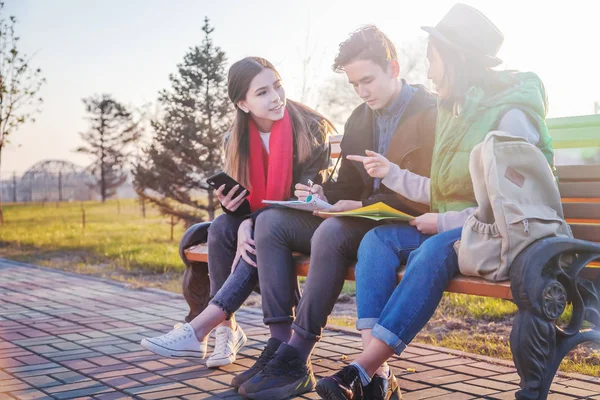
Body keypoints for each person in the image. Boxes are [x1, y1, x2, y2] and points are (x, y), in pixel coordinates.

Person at [315, 4, 556, 399]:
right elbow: (443, 188)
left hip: (508, 234)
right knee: (378, 241)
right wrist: (390, 173)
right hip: (467, 226)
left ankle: (362, 369)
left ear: (457, 60)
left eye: (432, 59)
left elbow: (509, 207)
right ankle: (373, 376)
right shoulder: (457, 110)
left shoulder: (511, 117)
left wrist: (444, 223)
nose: (427, 72)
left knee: (431, 252)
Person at [236, 26, 438, 400]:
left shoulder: (431, 112)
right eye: (354, 85)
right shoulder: (360, 118)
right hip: (359, 219)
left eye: (368, 80)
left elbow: (433, 193)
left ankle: (298, 354)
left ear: (393, 68)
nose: (362, 92)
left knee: (329, 233)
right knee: (271, 222)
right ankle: (280, 345)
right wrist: (321, 195)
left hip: (402, 226)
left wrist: (357, 207)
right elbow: (347, 182)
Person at [140, 56, 334, 368]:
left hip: (305, 224)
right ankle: (226, 330)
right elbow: (247, 200)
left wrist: (249, 224)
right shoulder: (236, 138)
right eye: (262, 93)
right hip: (266, 222)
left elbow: (297, 201)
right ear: (242, 104)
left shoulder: (312, 129)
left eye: (277, 86)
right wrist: (235, 210)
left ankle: (200, 328)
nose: (275, 98)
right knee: (219, 227)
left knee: (260, 228)